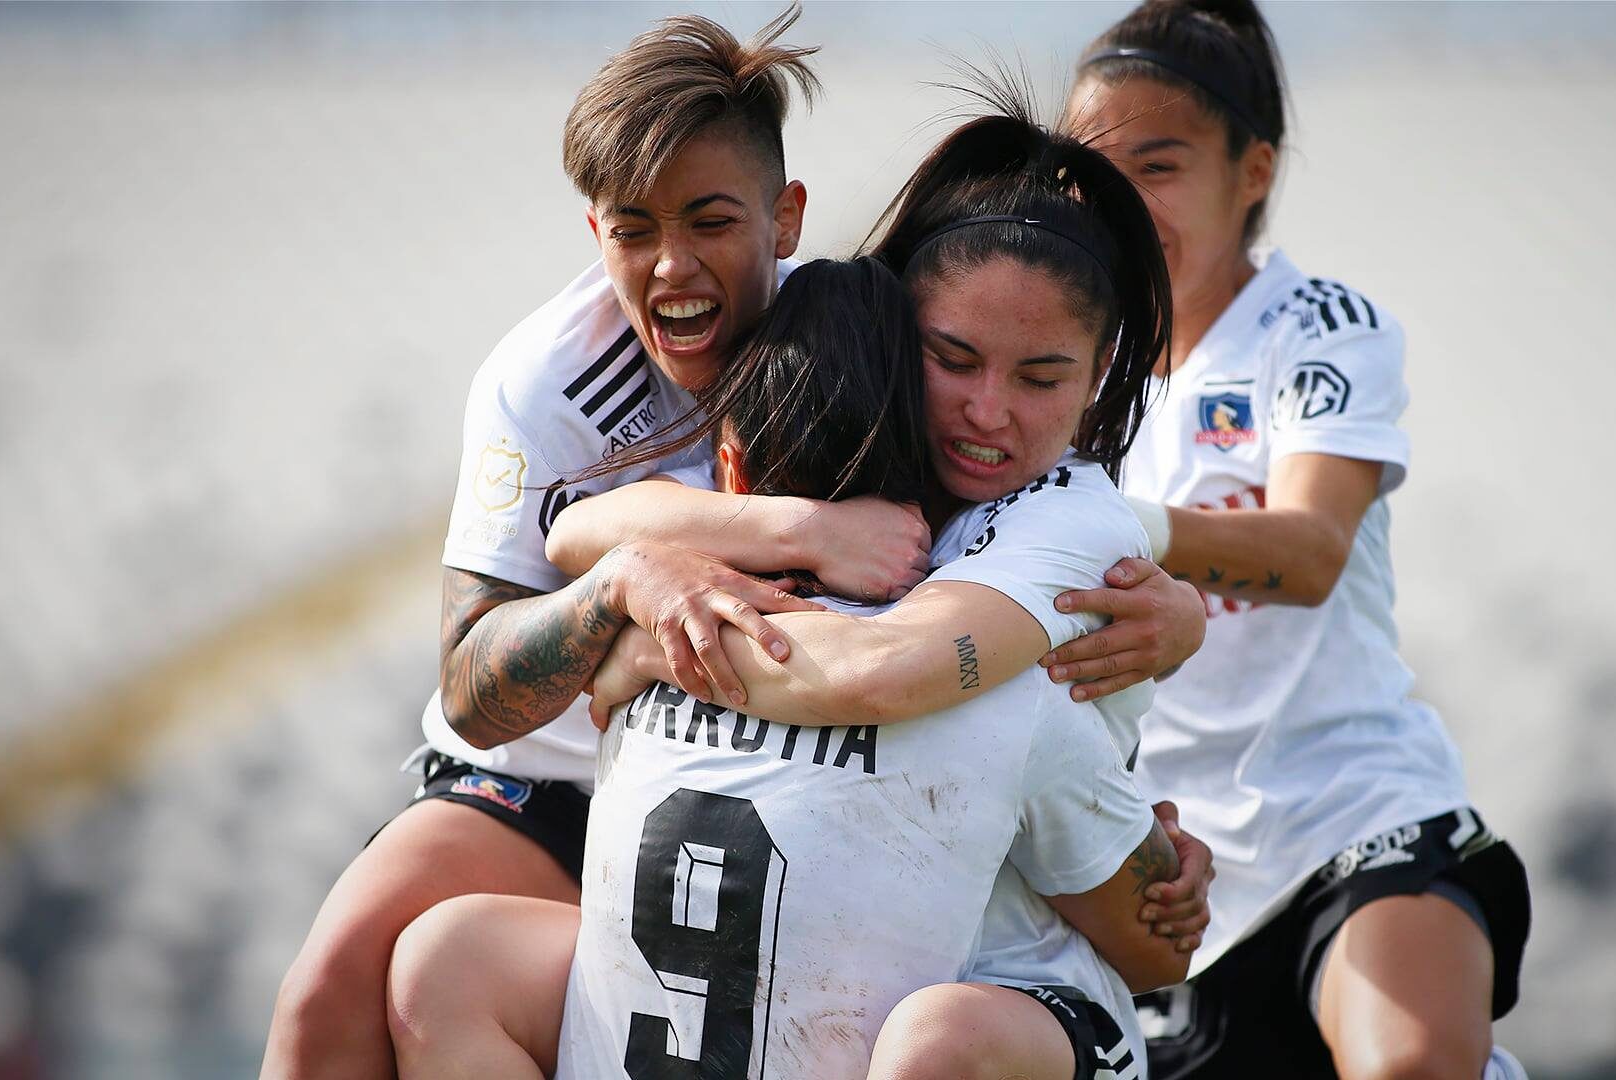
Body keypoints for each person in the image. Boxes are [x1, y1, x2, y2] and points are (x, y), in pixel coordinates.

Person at [264, 8, 1200, 1076]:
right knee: (337, 990)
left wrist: (1182, 611)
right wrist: (690, 576)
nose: (674, 267)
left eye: (711, 221)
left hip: (782, 767)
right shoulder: (545, 383)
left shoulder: (861, 330)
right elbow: (489, 675)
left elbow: (1051, 533)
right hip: (565, 771)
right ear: (596, 232)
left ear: (785, 220)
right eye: (633, 229)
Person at [386, 256, 1186, 1080]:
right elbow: (1160, 950)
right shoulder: (1003, 688)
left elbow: (572, 537)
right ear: (937, 497)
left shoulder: (648, 644)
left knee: (441, 964)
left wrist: (636, 632)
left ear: (727, 474)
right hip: (965, 1029)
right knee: (951, 1041)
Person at [1056, 3, 1533, 1078]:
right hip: (1170, 882)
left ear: (1253, 171)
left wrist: (1122, 527)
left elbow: (1313, 549)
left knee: (1410, 1062)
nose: (1122, 205)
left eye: (1160, 164)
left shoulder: (1317, 328)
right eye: (1091, 173)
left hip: (1353, 814)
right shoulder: (1059, 370)